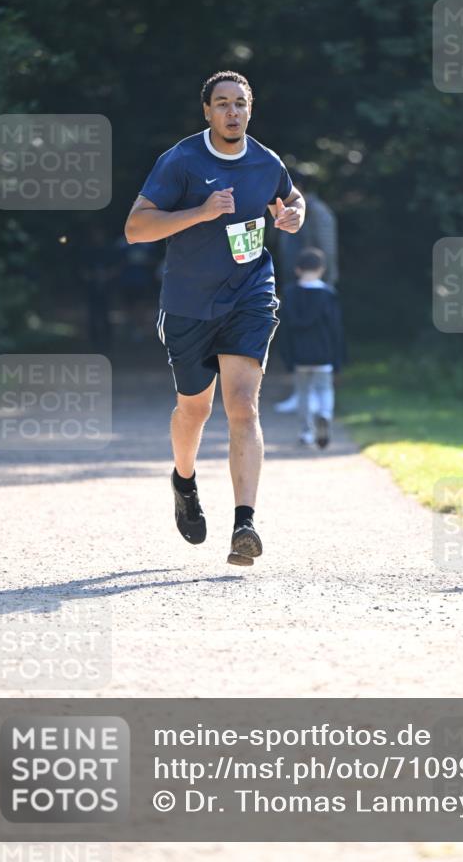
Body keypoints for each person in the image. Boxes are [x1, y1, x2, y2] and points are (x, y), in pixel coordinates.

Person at [124, 70, 305, 566]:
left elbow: (292, 199)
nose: (232, 112)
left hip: (249, 293)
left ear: (251, 109)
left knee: (243, 404)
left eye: (240, 104)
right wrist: (199, 214)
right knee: (195, 410)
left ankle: (244, 523)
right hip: (188, 304)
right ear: (207, 111)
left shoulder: (265, 162)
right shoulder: (181, 161)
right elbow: (136, 228)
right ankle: (184, 481)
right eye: (222, 104)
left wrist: (293, 215)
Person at [273, 172, 339, 413]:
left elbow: (327, 251)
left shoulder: (318, 212)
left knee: (317, 339)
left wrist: (323, 283)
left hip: (317, 285)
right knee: (298, 338)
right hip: (297, 283)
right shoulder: (285, 209)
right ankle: (301, 393)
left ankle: (315, 397)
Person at [277, 247, 345, 449]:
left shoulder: (289, 294)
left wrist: (287, 358)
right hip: (323, 354)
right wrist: (338, 358)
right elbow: (335, 329)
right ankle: (324, 414)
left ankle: (306, 432)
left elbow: (285, 329)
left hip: (299, 356)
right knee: (324, 389)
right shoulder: (328, 295)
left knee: (303, 393)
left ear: (297, 270)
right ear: (321, 269)